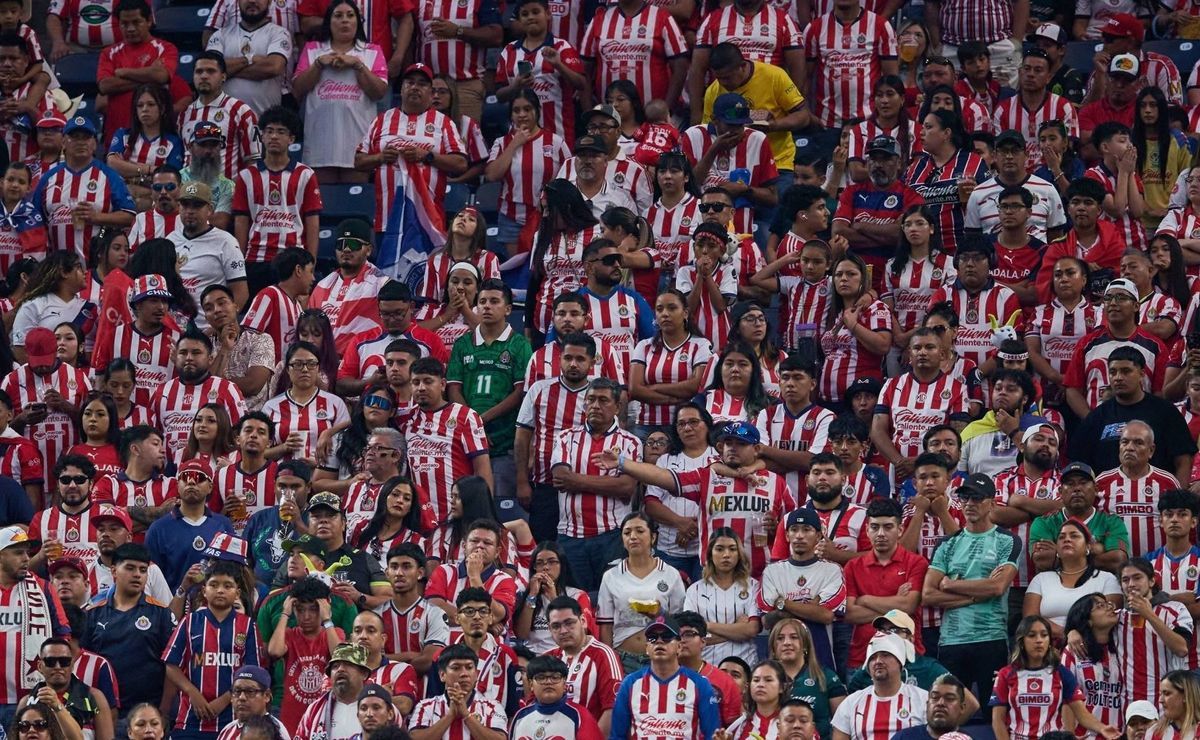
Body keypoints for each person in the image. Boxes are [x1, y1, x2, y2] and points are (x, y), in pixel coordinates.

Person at [921, 473, 1020, 703]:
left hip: (992, 638)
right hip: (951, 640)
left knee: (994, 710)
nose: (969, 504)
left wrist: (951, 584)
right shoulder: (946, 543)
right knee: (950, 711)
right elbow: (928, 594)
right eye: (965, 499)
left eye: (977, 498)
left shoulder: (1007, 539)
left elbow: (997, 587)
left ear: (992, 503)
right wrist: (974, 597)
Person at [354, 63, 467, 237]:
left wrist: (427, 156)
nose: (415, 87)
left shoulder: (443, 122)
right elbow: (359, 161)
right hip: (387, 219)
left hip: (428, 221)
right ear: (402, 87)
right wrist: (380, 157)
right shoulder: (382, 120)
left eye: (422, 84)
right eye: (410, 82)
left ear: (430, 92)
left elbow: (460, 163)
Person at [161, 558, 261, 740]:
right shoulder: (190, 622)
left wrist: (224, 700)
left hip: (233, 719)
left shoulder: (248, 626)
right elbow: (171, 665)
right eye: (214, 585)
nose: (220, 590)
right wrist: (193, 693)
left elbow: (253, 673)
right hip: (190, 719)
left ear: (237, 592)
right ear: (204, 591)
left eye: (227, 586)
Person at [292, 0, 389, 183]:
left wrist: (358, 65)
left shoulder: (372, 51)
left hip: (358, 146)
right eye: (338, 15)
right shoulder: (312, 50)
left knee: (354, 203)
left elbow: (379, 92)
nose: (345, 20)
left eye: (350, 15)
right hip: (320, 144)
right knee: (323, 204)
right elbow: (298, 89)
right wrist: (319, 64)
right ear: (328, 22)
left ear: (358, 22)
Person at [232, 107, 322, 298]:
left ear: (291, 138)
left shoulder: (305, 175)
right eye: (269, 131)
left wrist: (311, 263)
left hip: (292, 258)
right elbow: (241, 221)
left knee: (292, 317)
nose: (274, 136)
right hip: (255, 259)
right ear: (262, 136)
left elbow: (312, 222)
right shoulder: (246, 176)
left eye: (281, 132)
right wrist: (240, 263)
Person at [1071, 347, 1195, 482]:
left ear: (1142, 374)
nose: (1118, 377)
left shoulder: (1165, 411)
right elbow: (1080, 465)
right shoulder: (1097, 417)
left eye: (1126, 371)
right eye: (1113, 372)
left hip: (1157, 496)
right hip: (1107, 498)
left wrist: (1179, 497)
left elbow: (1183, 461)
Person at [990, 615, 1120, 740]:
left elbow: (1082, 714)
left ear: (1049, 641)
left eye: (1044, 635)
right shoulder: (1005, 674)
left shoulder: (1062, 673)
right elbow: (997, 721)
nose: (1039, 640)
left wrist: (1102, 728)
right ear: (1021, 641)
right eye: (1032, 635)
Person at [81, 543, 175, 711]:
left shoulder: (162, 614)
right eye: (130, 568)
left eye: (143, 570)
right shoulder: (92, 614)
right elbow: (84, 663)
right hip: (103, 710)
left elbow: (172, 666)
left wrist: (164, 711)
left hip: (148, 710)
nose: (137, 575)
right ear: (114, 571)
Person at [702, 44, 810, 178]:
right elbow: (708, 130)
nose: (723, 83)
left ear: (742, 66)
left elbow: (804, 116)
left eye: (727, 77)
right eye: (719, 78)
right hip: (732, 166)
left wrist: (773, 126)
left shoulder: (774, 76)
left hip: (777, 161)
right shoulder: (713, 91)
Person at [595, 512, 686, 671]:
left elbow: (680, 622)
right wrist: (608, 662)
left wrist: (659, 614)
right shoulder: (611, 576)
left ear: (653, 537)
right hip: (623, 658)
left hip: (662, 658)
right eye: (627, 532)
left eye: (640, 531)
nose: (633, 536)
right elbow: (606, 626)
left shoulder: (671, 574)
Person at [608, 615, 721, 740]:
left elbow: (712, 734)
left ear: (679, 646)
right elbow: (617, 736)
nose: (659, 641)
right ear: (646, 648)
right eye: (652, 638)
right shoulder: (630, 684)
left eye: (667, 637)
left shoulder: (699, 685)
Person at [0, 525, 71, 719]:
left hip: (31, 696)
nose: (25, 558)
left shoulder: (44, 588)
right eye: (17, 553)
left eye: (26, 552)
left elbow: (63, 635)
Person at [903, 110, 989, 256]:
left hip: (961, 252)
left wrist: (969, 201)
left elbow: (988, 209)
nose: (922, 133)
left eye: (928, 127)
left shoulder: (972, 162)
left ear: (946, 133)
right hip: (921, 253)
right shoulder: (915, 168)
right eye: (922, 127)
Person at [144, 458, 234, 591]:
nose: (191, 481)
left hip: (215, 604)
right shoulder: (158, 529)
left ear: (210, 487)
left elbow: (232, 570)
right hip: (172, 606)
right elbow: (151, 578)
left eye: (199, 477)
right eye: (185, 477)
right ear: (177, 486)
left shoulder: (223, 525)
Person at [1027, 461, 1130, 575]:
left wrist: (1060, 550)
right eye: (1070, 484)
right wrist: (1093, 549)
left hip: (1101, 589)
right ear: (1060, 492)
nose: (1077, 488)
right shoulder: (1044, 522)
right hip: (1055, 589)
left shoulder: (1111, 521)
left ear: (1096, 489)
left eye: (1083, 483)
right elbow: (1042, 560)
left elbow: (1118, 560)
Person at [267, 576, 343, 729]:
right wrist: (285, 613)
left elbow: (339, 656)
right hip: (292, 717)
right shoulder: (289, 635)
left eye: (313, 609)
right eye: (300, 610)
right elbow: (274, 651)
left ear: (324, 607)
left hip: (324, 715)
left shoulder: (334, 633)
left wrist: (327, 618)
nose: (306, 616)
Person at [1024, 519, 1122, 639]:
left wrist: (1078, 636)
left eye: (1074, 536)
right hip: (1047, 647)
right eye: (1061, 537)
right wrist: (1066, 634)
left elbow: (1108, 618)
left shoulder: (1107, 579)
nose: (1067, 539)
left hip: (1090, 644)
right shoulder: (1040, 579)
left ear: (1088, 547)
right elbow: (1030, 618)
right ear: (1057, 550)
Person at [96, 0, 177, 143]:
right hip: (117, 134)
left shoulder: (166, 48)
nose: (130, 28)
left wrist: (123, 72)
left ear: (149, 21)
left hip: (156, 136)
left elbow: (162, 76)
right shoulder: (108, 53)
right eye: (124, 24)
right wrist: (149, 77)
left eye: (136, 22)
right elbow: (104, 86)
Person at [307, 219, 390, 356]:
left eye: (353, 244)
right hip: (323, 361)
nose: (346, 249)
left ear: (368, 250)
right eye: (341, 244)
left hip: (364, 359)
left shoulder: (381, 284)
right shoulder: (322, 286)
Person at [168, 182, 248, 323]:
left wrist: (221, 326)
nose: (190, 211)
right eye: (185, 205)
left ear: (210, 209)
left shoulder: (226, 242)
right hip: (175, 329)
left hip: (209, 328)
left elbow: (241, 292)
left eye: (196, 205)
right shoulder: (170, 240)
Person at [544, 595, 623, 735]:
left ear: (583, 621)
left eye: (569, 623)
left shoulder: (603, 655)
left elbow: (612, 709)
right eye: (556, 626)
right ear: (550, 629)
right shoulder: (547, 659)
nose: (563, 631)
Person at [682, 527, 762, 665]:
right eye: (719, 549)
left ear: (739, 553)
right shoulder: (694, 590)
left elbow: (751, 629)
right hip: (705, 667)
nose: (726, 554)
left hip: (745, 666)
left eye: (732, 549)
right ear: (710, 554)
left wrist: (706, 625)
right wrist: (736, 628)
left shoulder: (753, 586)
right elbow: (690, 639)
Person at [179, 54, 259, 186]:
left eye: (211, 71)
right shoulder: (184, 115)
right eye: (199, 71)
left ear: (223, 76)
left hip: (228, 197)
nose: (204, 76)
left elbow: (252, 161)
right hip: (190, 196)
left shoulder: (241, 111)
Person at [830, 634, 928, 740]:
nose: (878, 661)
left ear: (900, 662)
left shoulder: (922, 699)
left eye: (885, 655)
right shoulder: (851, 702)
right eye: (872, 658)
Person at [105, 87, 184, 212]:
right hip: (120, 204)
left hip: (154, 207)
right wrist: (150, 169)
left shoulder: (174, 142)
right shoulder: (123, 135)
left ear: (162, 108)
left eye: (151, 104)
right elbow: (112, 164)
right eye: (140, 105)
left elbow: (170, 180)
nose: (145, 109)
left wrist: (127, 169)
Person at [17, 639, 114, 740]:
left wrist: (58, 707)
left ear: (72, 665)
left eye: (64, 661)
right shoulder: (26, 702)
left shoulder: (94, 698)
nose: (58, 667)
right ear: (40, 666)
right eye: (50, 662)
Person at [405, 644, 507, 740]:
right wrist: (450, 715)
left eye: (469, 667)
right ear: (442, 675)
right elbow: (414, 737)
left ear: (476, 674)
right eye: (456, 668)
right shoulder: (425, 706)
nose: (464, 674)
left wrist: (466, 715)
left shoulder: (492, 706)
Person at [1061, 594, 1125, 735]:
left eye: (1108, 604)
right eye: (1100, 606)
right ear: (1088, 620)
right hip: (1084, 735)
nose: (1109, 608)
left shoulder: (1123, 647)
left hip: (1117, 734)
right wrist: (1069, 736)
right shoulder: (1073, 652)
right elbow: (1067, 700)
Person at [242, 247, 314, 367]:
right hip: (266, 378)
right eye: (311, 271)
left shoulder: (298, 306)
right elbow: (247, 339)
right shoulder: (269, 295)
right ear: (298, 270)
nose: (313, 278)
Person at [508, 655, 603, 740]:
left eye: (555, 677)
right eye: (541, 678)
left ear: (565, 684)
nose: (548, 682)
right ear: (531, 684)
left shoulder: (579, 715)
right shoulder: (520, 716)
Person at [293, 643, 371, 740]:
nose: (340, 669)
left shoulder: (379, 707)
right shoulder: (315, 709)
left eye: (348, 664)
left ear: (364, 673)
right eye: (335, 666)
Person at [216, 666, 288, 740]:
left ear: (266, 695)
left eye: (250, 691)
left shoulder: (276, 731)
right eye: (237, 691)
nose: (242, 697)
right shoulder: (227, 730)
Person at [1148, 670, 1200, 739]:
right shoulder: (1154, 733)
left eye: (1167, 693)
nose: (1160, 700)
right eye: (1160, 694)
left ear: (1185, 695)